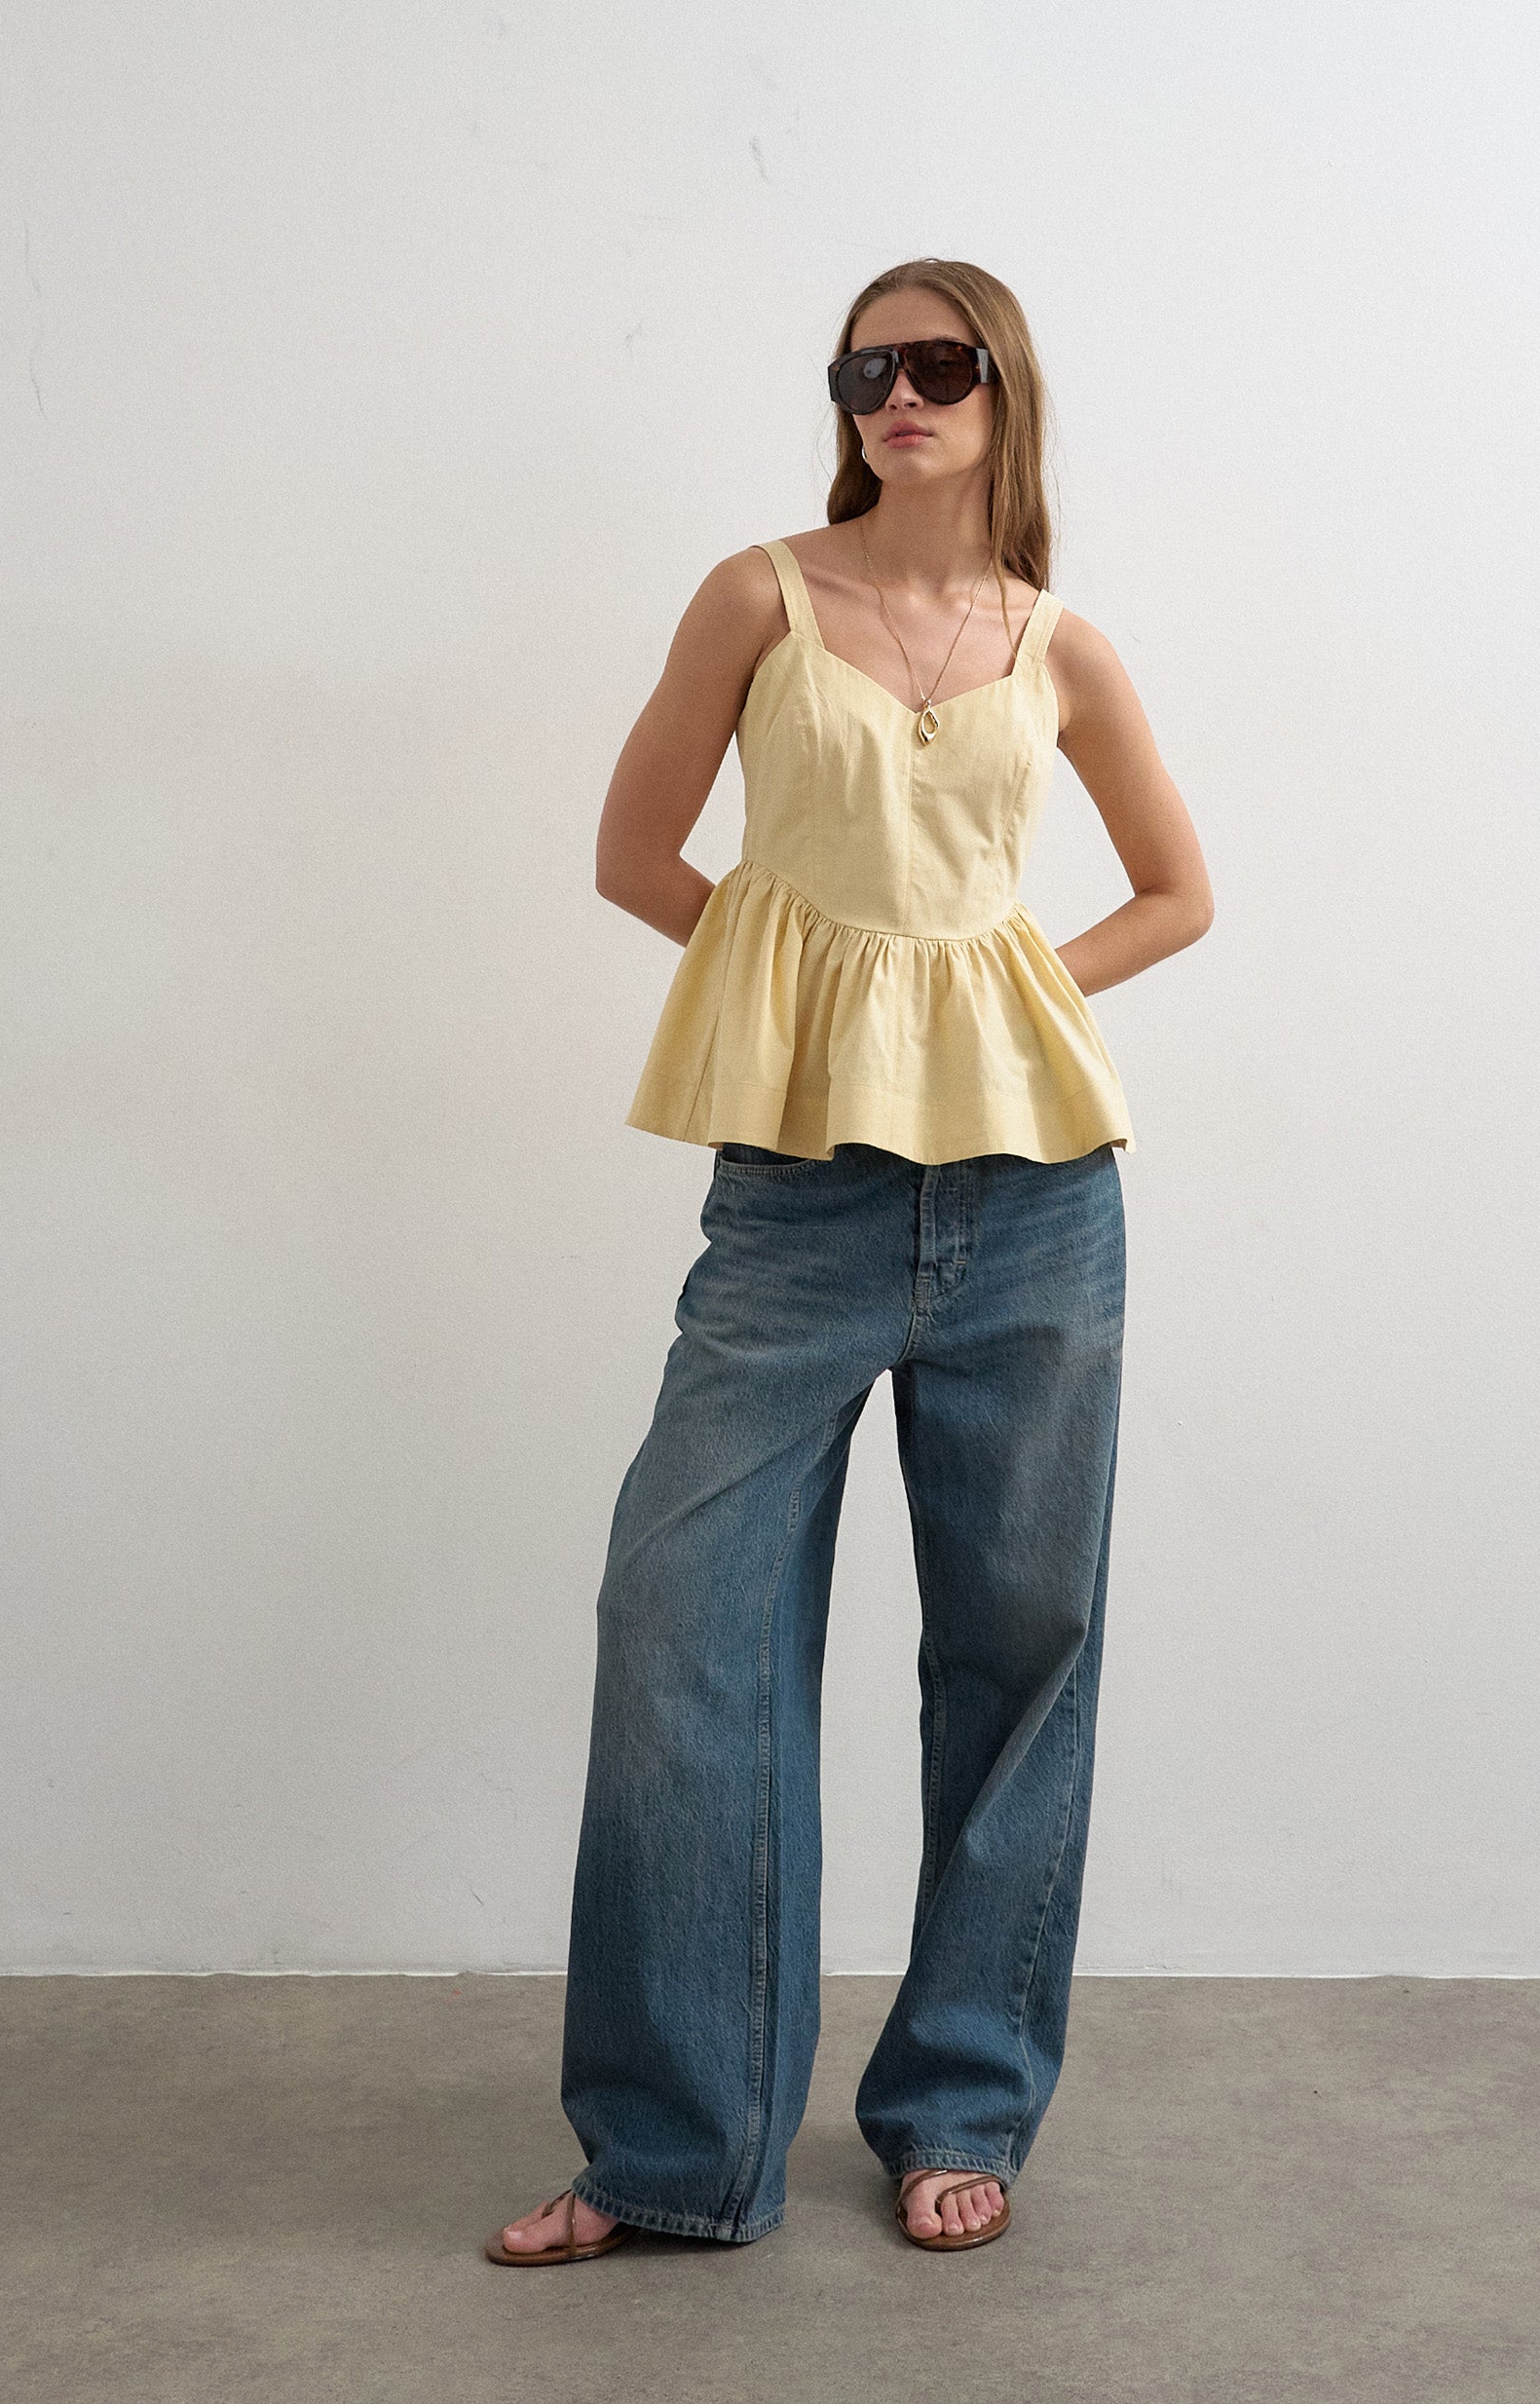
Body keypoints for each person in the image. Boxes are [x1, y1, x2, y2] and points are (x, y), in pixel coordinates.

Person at [490, 257, 1212, 2266]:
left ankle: (959, 2101)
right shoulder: (758, 597)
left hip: (1035, 1202)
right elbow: (637, 857)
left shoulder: (1059, 643)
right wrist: (814, 1005)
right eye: (863, 365)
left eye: (938, 362)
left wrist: (998, 1003)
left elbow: (1177, 893)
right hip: (795, 1204)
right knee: (681, 1630)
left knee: (1015, 1653)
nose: (897, 390)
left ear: (1003, 392)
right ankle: (674, 2148)